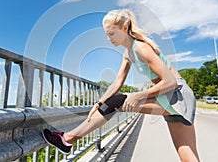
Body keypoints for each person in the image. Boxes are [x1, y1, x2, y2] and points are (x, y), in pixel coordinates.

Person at [42, 9, 199, 161]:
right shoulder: (128, 53)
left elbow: (170, 81)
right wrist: (99, 103)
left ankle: (68, 139)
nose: (109, 38)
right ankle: (68, 139)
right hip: (170, 97)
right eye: (106, 34)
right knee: (188, 158)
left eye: (111, 33)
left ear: (124, 28)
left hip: (178, 95)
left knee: (116, 102)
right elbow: (118, 81)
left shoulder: (141, 48)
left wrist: (138, 95)